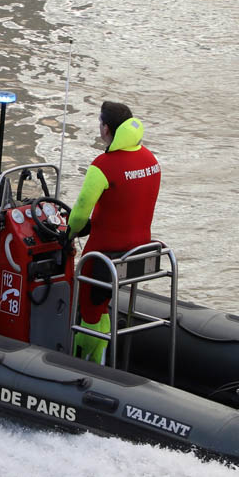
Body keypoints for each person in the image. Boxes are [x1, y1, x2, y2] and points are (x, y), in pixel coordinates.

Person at [66, 101, 161, 364]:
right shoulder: (150, 159)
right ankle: (106, 356)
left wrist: (69, 234)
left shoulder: (103, 165)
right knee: (102, 303)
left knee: (88, 309)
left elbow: (78, 214)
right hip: (139, 253)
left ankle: (85, 363)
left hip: (103, 255)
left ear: (105, 128)